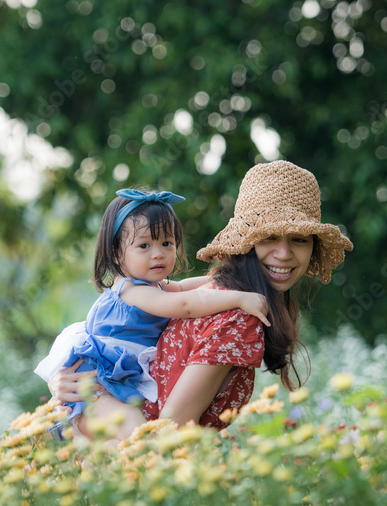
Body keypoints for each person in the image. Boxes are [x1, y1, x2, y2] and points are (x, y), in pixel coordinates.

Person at [47, 160, 353, 434]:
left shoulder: (211, 292)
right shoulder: (237, 315)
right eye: (269, 237)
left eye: (299, 239)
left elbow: (181, 292)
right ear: (245, 244)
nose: (284, 254)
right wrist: (58, 375)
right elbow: (172, 430)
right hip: (133, 462)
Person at [35, 188, 271, 440]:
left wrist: (224, 277)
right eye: (144, 245)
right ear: (116, 253)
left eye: (166, 243)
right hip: (98, 389)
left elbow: (184, 287)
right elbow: (185, 304)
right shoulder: (131, 290)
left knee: (121, 445)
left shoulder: (153, 287)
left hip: (115, 386)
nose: (158, 253)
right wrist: (239, 298)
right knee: (138, 436)